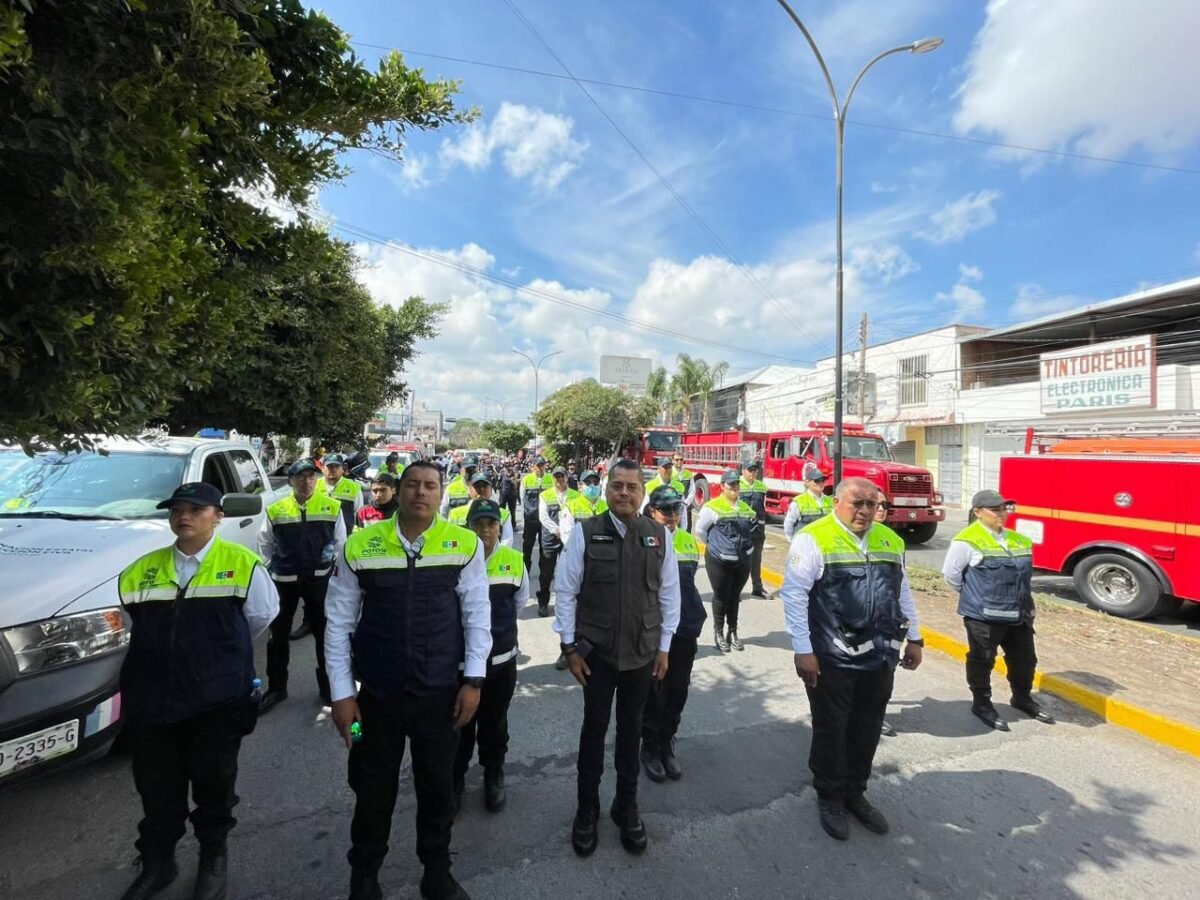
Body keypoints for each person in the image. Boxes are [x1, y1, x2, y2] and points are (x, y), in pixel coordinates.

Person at [325, 460, 491, 900]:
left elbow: (478, 616)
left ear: (441, 494)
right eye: (412, 485)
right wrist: (342, 695)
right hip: (373, 699)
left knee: (438, 787)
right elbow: (338, 624)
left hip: (439, 697)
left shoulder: (465, 544)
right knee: (370, 788)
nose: (421, 492)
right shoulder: (360, 546)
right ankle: (364, 875)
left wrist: (474, 679)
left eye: (430, 486)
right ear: (398, 492)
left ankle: (436, 871)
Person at [116, 483, 278, 900]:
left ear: (217, 517)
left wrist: (216, 663)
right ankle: (158, 862)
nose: (183, 517)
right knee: (157, 792)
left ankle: (213, 858)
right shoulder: (141, 569)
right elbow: (136, 629)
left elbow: (259, 618)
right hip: (154, 704)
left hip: (216, 703)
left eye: (195, 509)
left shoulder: (243, 564)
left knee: (214, 785)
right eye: (177, 510)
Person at [780, 477, 923, 841]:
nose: (865, 511)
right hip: (832, 658)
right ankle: (829, 795)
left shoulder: (890, 540)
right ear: (836, 502)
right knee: (832, 727)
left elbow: (901, 590)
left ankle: (855, 792)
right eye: (857, 503)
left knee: (867, 726)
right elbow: (794, 595)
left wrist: (916, 638)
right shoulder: (813, 537)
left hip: (880, 656)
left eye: (872, 504)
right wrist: (803, 649)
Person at [553, 459, 680, 857]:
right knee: (593, 732)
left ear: (642, 493)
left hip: (642, 654)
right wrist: (569, 648)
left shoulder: (659, 535)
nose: (624, 492)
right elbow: (566, 590)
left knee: (631, 733)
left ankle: (626, 806)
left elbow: (669, 594)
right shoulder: (586, 533)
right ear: (607, 490)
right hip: (598, 655)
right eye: (617, 486)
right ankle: (586, 809)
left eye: (632, 487)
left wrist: (664, 647)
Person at [942, 489, 1053, 731]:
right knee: (982, 660)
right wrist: (974, 596)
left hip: (1020, 614)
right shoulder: (966, 541)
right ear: (978, 512)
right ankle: (981, 702)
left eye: (1004, 508)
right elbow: (951, 576)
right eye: (995, 509)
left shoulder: (1019, 539)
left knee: (1025, 660)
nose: (1001, 514)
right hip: (984, 616)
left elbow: (1024, 578)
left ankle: (1021, 697)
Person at [453, 499, 529, 815]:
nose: (485, 530)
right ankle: (454, 779)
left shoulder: (514, 561)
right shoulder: (454, 560)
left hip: (500, 663)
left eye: (491, 523)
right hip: (459, 666)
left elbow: (519, 603)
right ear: (468, 526)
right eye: (478, 524)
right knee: (458, 726)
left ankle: (493, 774)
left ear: (500, 526)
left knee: (495, 724)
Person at [259, 459, 346, 712]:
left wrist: (334, 574)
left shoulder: (332, 507)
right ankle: (277, 688)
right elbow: (264, 544)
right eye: (300, 477)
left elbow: (341, 542)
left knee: (324, 635)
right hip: (284, 581)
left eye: (311, 477)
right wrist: (272, 568)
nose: (307, 481)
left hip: (319, 580)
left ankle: (328, 688)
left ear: (317, 480)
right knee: (277, 637)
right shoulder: (276, 509)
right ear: (290, 481)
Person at [639, 486, 706, 784]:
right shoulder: (641, 541)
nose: (672, 516)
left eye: (676, 510)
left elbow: (689, 588)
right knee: (654, 693)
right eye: (665, 511)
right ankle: (650, 746)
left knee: (678, 691)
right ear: (651, 511)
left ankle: (667, 741)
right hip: (653, 633)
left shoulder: (687, 540)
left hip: (684, 631)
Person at [694, 470, 756, 652]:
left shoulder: (745, 508)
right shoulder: (712, 507)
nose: (735, 488)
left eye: (737, 484)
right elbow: (700, 531)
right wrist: (716, 546)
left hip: (742, 560)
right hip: (719, 560)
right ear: (722, 486)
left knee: (735, 596)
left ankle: (733, 632)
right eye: (731, 485)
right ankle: (719, 632)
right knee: (722, 596)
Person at [536, 466, 580, 616]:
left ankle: (567, 603)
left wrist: (566, 533)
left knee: (569, 572)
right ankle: (543, 602)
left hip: (570, 539)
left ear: (567, 477)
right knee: (546, 573)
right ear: (552, 478)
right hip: (550, 538)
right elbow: (543, 517)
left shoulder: (576, 495)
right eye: (556, 477)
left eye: (562, 476)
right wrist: (557, 530)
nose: (559, 480)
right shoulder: (545, 495)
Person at [448, 472, 514, 547]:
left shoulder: (503, 514)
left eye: (485, 486)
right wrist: (466, 551)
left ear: (491, 490)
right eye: (477, 486)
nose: (481, 489)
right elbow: (448, 543)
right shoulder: (455, 514)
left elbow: (507, 541)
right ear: (469, 490)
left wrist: (489, 555)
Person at [739, 461, 769, 597]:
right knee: (739, 560)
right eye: (750, 470)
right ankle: (736, 589)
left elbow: (763, 507)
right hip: (742, 528)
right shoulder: (736, 485)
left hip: (758, 529)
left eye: (755, 470)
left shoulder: (761, 487)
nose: (752, 473)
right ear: (743, 471)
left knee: (756, 559)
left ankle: (757, 587)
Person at [520, 456, 553, 573]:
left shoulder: (551, 479)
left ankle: (544, 571)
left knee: (544, 546)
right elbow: (522, 496)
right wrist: (528, 512)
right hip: (531, 518)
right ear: (533, 467)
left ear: (545, 466)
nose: (540, 468)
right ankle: (525, 571)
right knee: (528, 545)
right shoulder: (527, 479)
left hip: (545, 519)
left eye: (542, 465)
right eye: (537, 465)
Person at [783, 464, 833, 541]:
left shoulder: (830, 501)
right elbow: (789, 523)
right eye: (817, 481)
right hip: (805, 544)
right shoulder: (799, 501)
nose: (821, 483)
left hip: (824, 544)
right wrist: (791, 540)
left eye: (823, 480)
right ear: (807, 482)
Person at [321, 453, 365, 534]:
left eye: (336, 466)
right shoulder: (314, 486)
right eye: (329, 466)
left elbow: (359, 516)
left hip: (346, 537)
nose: (333, 469)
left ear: (342, 469)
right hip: (320, 538)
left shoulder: (354, 487)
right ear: (322, 469)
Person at [642, 456, 688, 529]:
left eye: (670, 467)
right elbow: (643, 511)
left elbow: (683, 512)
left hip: (673, 527)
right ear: (659, 469)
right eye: (665, 468)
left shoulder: (679, 486)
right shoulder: (649, 486)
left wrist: (683, 529)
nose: (668, 470)